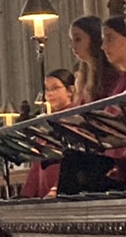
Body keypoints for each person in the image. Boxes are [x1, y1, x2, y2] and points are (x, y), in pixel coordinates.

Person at [20, 68, 76, 197]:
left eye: (55, 88)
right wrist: (26, 196)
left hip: (64, 192)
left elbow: (73, 161)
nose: (49, 94)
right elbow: (37, 165)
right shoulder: (47, 122)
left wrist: (57, 187)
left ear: (70, 90)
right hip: (45, 191)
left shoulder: (75, 118)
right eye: (47, 89)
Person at [68, 16, 105, 104]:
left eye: (78, 39)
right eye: (72, 40)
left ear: (94, 38)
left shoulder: (107, 75)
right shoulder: (82, 76)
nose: (73, 46)